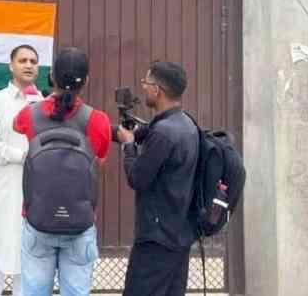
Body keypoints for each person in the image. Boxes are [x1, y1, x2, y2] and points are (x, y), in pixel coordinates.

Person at [13, 47, 111, 296]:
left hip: (38, 219)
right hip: (80, 221)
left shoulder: (29, 114)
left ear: (51, 78)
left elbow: (16, 126)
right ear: (86, 81)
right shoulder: (97, 120)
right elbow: (98, 163)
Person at [117, 61, 199, 296]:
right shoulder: (185, 123)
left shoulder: (164, 133)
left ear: (157, 90)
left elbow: (137, 178)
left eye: (146, 82)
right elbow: (148, 136)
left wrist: (128, 146)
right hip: (178, 235)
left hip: (156, 241)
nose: (142, 87)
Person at [0, 44, 44, 296]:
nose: (28, 65)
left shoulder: (44, 103)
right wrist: (21, 156)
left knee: (28, 259)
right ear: (11, 66)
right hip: (3, 188)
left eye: (33, 61)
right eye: (23, 60)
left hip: (36, 191)